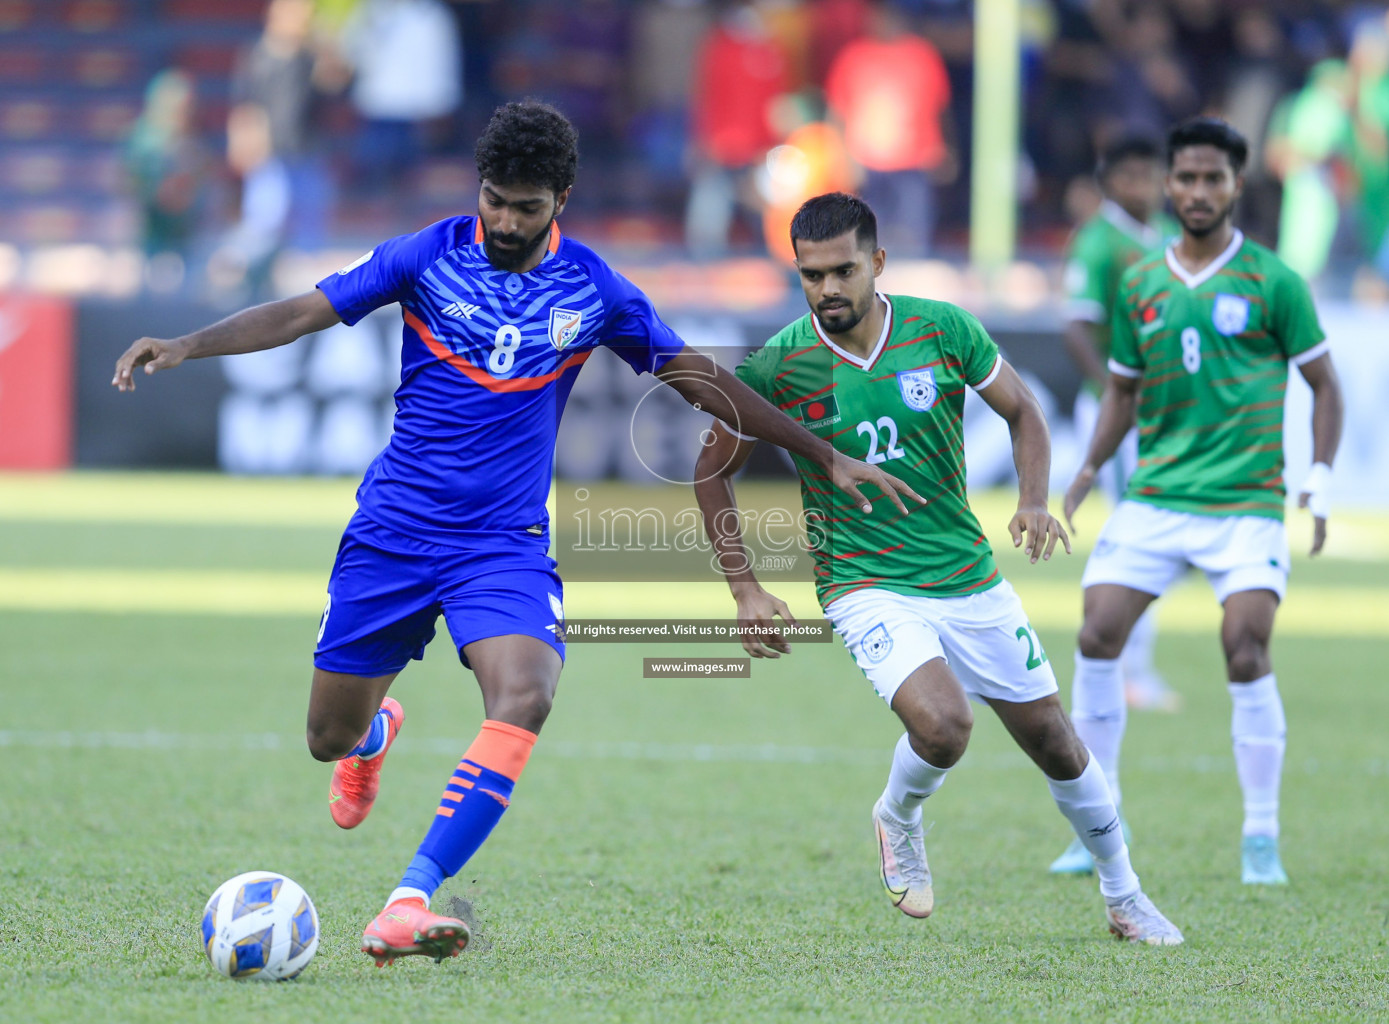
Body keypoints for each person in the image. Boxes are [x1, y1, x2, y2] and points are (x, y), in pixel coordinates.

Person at [112, 103, 918, 966]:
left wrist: (822, 453)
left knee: (527, 692)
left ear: (559, 200)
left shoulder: (597, 290)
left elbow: (700, 380)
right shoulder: (428, 254)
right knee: (327, 739)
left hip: (500, 543)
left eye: (525, 207)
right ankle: (375, 733)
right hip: (393, 531)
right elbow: (306, 311)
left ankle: (406, 899)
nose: (503, 220)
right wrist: (188, 345)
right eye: (494, 199)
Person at [693, 192, 1183, 945]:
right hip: (864, 583)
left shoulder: (942, 328)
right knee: (944, 724)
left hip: (966, 575)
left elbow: (1022, 410)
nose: (827, 289)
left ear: (877, 263)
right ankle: (897, 816)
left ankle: (1125, 896)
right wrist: (746, 588)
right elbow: (707, 469)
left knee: (1054, 740)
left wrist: (1031, 499)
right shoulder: (781, 362)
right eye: (810, 275)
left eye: (842, 271)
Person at [1061, 118, 1343, 886]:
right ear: (1168, 184)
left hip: (1245, 504)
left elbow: (1324, 386)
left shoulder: (1271, 281)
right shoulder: (1140, 282)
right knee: (1094, 635)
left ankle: (1260, 834)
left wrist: (1316, 477)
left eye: (1209, 179)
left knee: (1244, 646)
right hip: (1156, 497)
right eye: (1182, 178)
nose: (1193, 191)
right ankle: (1098, 820)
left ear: (1234, 186)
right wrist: (1086, 470)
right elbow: (1120, 389)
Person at [1051, 134, 1179, 877]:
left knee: (1150, 530)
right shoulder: (1099, 241)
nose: (1143, 185)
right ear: (1108, 183)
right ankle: (1131, 661)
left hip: (1161, 411)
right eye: (1129, 175)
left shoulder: (1162, 237)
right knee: (1138, 532)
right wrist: (1111, 390)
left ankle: (1134, 660)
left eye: (1149, 174)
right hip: (1119, 412)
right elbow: (1075, 322)